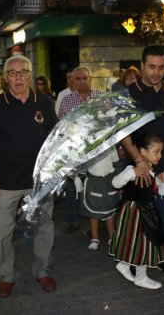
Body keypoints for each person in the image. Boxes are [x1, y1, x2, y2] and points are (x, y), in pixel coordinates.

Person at [0, 55, 59, 298]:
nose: (18, 78)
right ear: (5, 78)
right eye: (12, 73)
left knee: (43, 227)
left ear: (30, 75)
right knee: (2, 232)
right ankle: (6, 275)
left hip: (39, 183)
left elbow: (56, 139)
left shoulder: (43, 102)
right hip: (5, 181)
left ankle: (42, 271)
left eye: (23, 72)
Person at [121, 45, 164, 276]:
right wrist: (138, 160)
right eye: (151, 67)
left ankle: (163, 257)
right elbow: (122, 132)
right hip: (139, 165)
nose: (156, 72)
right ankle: (136, 258)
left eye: (161, 67)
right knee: (141, 215)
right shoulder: (129, 92)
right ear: (142, 65)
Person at [110, 132, 164, 290]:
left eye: (161, 152)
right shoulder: (133, 168)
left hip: (147, 210)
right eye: (156, 151)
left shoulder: (152, 169)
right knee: (142, 242)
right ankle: (140, 277)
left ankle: (124, 264)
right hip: (135, 212)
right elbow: (115, 183)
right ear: (143, 152)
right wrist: (132, 173)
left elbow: (156, 192)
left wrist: (160, 182)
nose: (160, 155)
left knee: (138, 242)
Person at [58, 66, 103, 233]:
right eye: (77, 79)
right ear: (73, 81)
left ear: (90, 79)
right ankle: (74, 219)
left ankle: (97, 218)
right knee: (72, 186)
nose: (82, 81)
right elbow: (62, 128)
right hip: (74, 151)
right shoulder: (67, 101)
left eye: (85, 78)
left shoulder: (101, 97)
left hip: (98, 150)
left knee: (95, 184)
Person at [78, 148, 121, 251]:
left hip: (108, 180)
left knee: (109, 210)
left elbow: (116, 163)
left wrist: (119, 182)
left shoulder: (111, 147)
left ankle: (112, 238)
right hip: (93, 181)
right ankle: (95, 238)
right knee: (93, 210)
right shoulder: (89, 147)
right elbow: (81, 165)